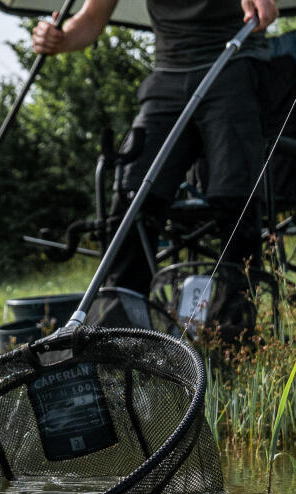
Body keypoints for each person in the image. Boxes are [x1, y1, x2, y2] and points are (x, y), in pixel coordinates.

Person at [33, 0, 278, 338]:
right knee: (133, 195)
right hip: (167, 78)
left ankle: (232, 334)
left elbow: (266, 9)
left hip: (235, 63)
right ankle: (120, 333)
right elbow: (89, 21)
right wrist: (58, 38)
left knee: (234, 193)